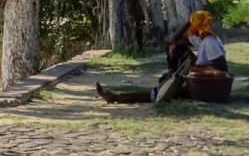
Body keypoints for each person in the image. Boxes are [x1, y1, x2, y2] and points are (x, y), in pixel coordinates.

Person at [96, 10, 228, 104]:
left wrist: (193, 71)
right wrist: (187, 23)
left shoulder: (209, 41)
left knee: (161, 91)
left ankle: (117, 97)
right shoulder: (202, 39)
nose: (191, 28)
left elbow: (221, 68)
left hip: (209, 83)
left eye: (193, 24)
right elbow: (173, 41)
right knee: (173, 50)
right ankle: (117, 97)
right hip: (203, 78)